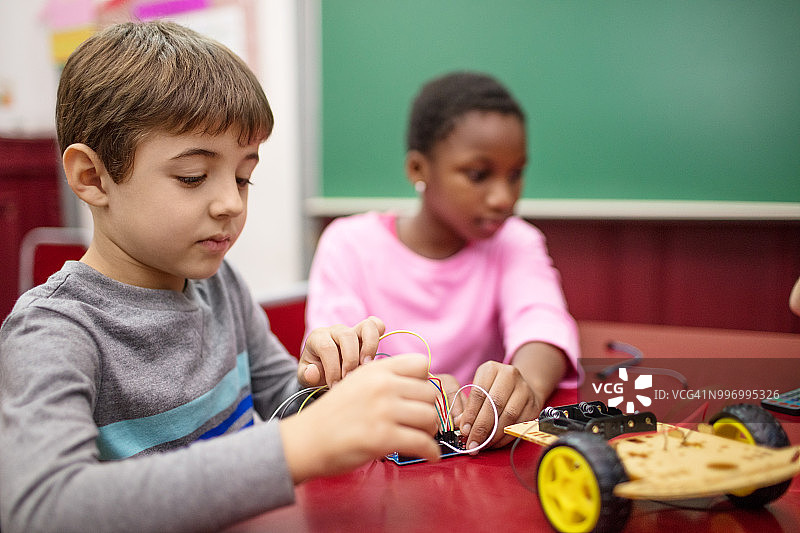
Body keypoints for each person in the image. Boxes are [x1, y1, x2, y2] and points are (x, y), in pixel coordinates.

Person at [0, 21, 442, 533]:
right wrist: (299, 446)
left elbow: (282, 398)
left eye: (243, 175)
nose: (231, 203)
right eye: (192, 177)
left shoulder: (218, 282)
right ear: (92, 178)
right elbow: (38, 508)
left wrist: (340, 392)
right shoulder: (53, 331)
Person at [305, 71, 580, 451]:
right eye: (478, 174)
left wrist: (527, 386)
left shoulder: (515, 240)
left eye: (515, 174)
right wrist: (414, 392)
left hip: (478, 456)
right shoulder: (348, 243)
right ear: (418, 169)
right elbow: (338, 360)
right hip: (379, 458)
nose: (504, 197)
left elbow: (542, 323)